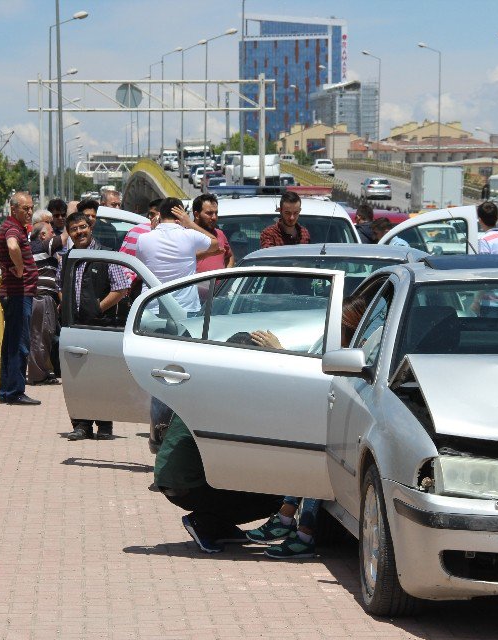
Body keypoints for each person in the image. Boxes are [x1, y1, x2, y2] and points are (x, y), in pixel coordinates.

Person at [244, 293, 369, 558]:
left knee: (317, 459)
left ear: (349, 328)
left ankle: (302, 533)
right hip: (329, 420)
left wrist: (280, 352)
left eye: (338, 326)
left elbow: (321, 376)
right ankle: (286, 520)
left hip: (348, 429)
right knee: (310, 450)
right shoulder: (338, 346)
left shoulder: (359, 353)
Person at [155, 412, 283, 554]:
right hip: (190, 485)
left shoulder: (204, 401)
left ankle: (221, 528)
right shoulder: (225, 408)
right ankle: (203, 523)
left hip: (171, 482)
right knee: (276, 498)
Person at [63, 212, 131, 441]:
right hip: (75, 327)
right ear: (69, 233)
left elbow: (121, 289)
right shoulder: (68, 257)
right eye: (74, 229)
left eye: (82, 227)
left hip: (101, 326)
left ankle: (104, 425)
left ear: (90, 228)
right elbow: (59, 287)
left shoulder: (105, 255)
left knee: (101, 376)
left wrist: (97, 308)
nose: (79, 232)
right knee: (77, 377)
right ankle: (81, 424)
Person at [135, 197, 220, 313]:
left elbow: (141, 269)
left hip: (151, 306)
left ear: (159, 215)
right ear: (182, 214)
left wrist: (153, 230)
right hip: (185, 307)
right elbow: (215, 243)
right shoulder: (190, 235)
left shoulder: (143, 239)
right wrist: (190, 223)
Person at [0, 192, 41, 406]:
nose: (30, 212)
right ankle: (14, 391)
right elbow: (13, 246)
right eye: (26, 208)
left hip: (16, 293)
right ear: (14, 209)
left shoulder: (12, 226)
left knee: (11, 343)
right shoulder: (12, 228)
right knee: (19, 343)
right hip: (18, 294)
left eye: (31, 208)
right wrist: (22, 267)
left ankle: (7, 390)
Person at [27, 220, 68, 385]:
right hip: (42, 298)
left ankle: (41, 372)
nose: (55, 235)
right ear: (43, 235)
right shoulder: (42, 246)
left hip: (44, 298)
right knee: (40, 336)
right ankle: (38, 376)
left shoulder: (40, 249)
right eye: (52, 232)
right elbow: (66, 236)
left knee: (44, 334)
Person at [192, 193, 234, 272]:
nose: (214, 217)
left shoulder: (220, 234)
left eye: (216, 213)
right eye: (209, 213)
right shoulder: (186, 235)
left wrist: (226, 277)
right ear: (197, 215)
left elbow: (229, 256)